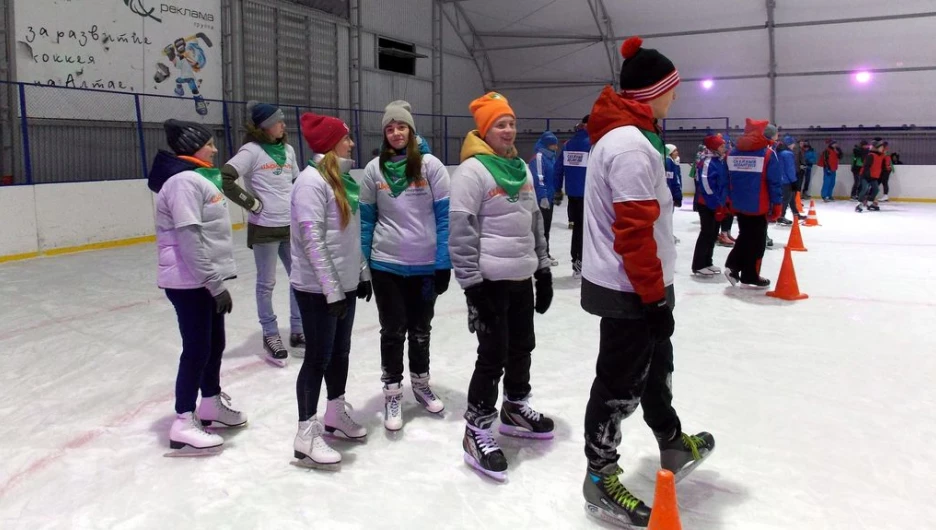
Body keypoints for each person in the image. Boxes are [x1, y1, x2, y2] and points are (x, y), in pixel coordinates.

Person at [580, 37, 714, 528]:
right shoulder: (631, 146)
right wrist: (654, 299)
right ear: (654, 92)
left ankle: (672, 443)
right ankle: (599, 476)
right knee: (619, 384)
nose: (676, 97)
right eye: (672, 89)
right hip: (630, 288)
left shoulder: (634, 136)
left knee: (657, 369)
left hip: (644, 282)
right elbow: (633, 234)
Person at [449, 92, 555, 481]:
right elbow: (460, 232)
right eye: (500, 124)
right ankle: (477, 429)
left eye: (511, 123)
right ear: (484, 130)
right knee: (492, 355)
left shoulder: (521, 170)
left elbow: (534, 222)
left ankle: (514, 406)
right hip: (489, 280)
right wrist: (472, 287)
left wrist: (542, 269)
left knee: (522, 346)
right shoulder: (472, 172)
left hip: (521, 277)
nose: (508, 130)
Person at [149, 120, 246, 455]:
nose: (215, 149)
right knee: (196, 349)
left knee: (213, 343)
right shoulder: (184, 183)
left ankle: (211, 402)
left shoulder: (195, 178)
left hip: (201, 279)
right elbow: (190, 239)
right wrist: (213, 283)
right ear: (193, 146)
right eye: (209, 143)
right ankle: (183, 420)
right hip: (190, 282)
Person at [359, 100, 451, 432]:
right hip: (386, 266)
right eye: (390, 127)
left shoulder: (431, 167)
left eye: (401, 126)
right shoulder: (374, 170)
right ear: (384, 133)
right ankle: (393, 391)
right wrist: (363, 268)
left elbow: (444, 220)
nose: (396, 132)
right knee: (393, 330)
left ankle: (421, 383)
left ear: (411, 130)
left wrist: (443, 263)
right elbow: (366, 222)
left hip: (425, 265)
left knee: (421, 330)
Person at [291, 112, 370, 469]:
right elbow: (312, 240)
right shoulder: (311, 183)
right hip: (318, 289)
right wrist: (332, 291)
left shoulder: (340, 181)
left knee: (340, 353)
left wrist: (362, 272)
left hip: (344, 283)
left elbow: (348, 238)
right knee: (318, 357)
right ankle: (306, 434)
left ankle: (335, 412)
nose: (352, 144)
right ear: (330, 144)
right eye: (346, 138)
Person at [221, 101, 302, 367]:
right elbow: (226, 177)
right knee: (266, 284)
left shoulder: (288, 151)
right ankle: (270, 334)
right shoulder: (251, 151)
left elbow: (297, 184)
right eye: (279, 121)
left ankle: (298, 329)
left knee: (300, 279)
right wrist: (251, 203)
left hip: (289, 227)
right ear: (266, 126)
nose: (284, 125)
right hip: (264, 229)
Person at [724, 120, 783, 288]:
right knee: (757, 241)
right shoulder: (767, 154)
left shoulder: (732, 153)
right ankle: (747, 273)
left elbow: (726, 179)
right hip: (759, 205)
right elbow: (774, 183)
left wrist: (728, 201)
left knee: (746, 235)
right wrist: (777, 205)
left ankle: (735, 268)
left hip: (739, 204)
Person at [554, 115, 591, 278]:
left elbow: (558, 169)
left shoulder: (568, 144)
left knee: (577, 229)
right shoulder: (592, 144)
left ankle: (577, 261)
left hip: (573, 195)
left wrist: (557, 189)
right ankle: (581, 262)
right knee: (587, 231)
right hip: (588, 195)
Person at [691, 135, 728, 276]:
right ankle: (699, 265)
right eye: (721, 146)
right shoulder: (707, 162)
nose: (724, 148)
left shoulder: (719, 161)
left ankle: (708, 262)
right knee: (706, 233)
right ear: (714, 147)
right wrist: (715, 203)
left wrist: (722, 202)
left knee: (713, 234)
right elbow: (706, 185)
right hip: (707, 204)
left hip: (717, 203)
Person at [529, 131, 560, 266]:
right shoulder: (540, 157)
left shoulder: (550, 157)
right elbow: (539, 178)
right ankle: (538, 255)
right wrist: (542, 196)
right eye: (553, 145)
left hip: (549, 197)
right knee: (540, 228)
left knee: (545, 228)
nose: (556, 147)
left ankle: (544, 253)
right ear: (547, 144)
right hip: (542, 199)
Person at [856, 141, 886, 213]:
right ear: (876, 148)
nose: (883, 149)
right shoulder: (871, 155)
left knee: (876, 189)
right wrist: (867, 175)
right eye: (881, 147)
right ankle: (859, 204)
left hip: (873, 176)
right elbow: (866, 167)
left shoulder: (880, 156)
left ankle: (869, 203)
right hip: (865, 176)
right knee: (864, 189)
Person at [777, 135, 802, 225]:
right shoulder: (788, 154)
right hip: (786, 180)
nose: (794, 145)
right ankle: (781, 216)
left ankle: (796, 213)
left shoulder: (780, 152)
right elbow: (790, 169)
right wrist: (794, 180)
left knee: (791, 198)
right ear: (789, 144)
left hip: (781, 179)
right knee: (786, 199)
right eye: (793, 143)